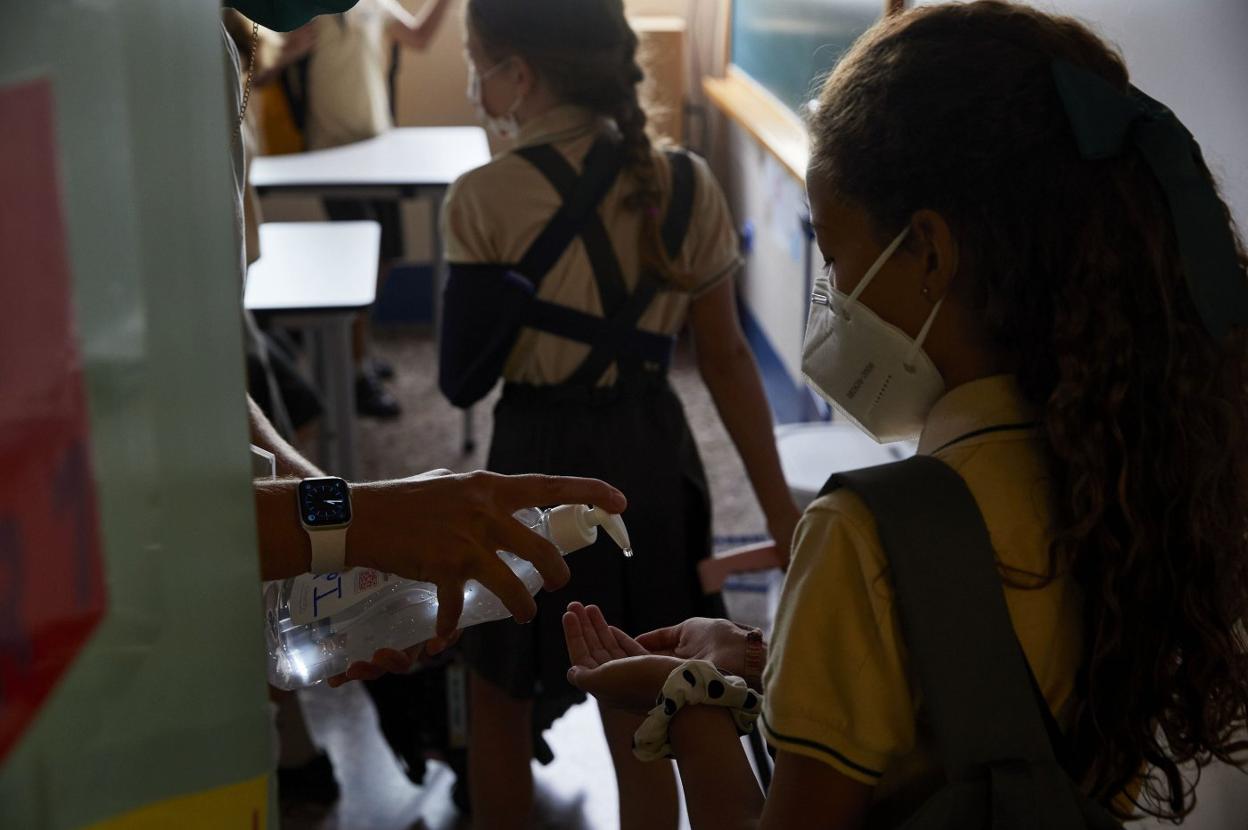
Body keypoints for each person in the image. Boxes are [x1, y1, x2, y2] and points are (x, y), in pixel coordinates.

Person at [560, 2, 1248, 827]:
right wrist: (762, 662)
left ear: (928, 252)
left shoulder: (864, 536)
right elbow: (987, 711)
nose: (833, 289)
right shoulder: (1138, 471)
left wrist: (692, 706)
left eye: (836, 250)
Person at [441, 1, 802, 827]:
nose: (474, 85)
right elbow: (726, 359)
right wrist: (780, 509)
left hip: (532, 462)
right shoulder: (689, 181)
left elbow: (462, 380)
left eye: (478, 62)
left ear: (519, 75)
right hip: (649, 464)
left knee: (497, 697)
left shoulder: (481, 197)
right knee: (649, 697)